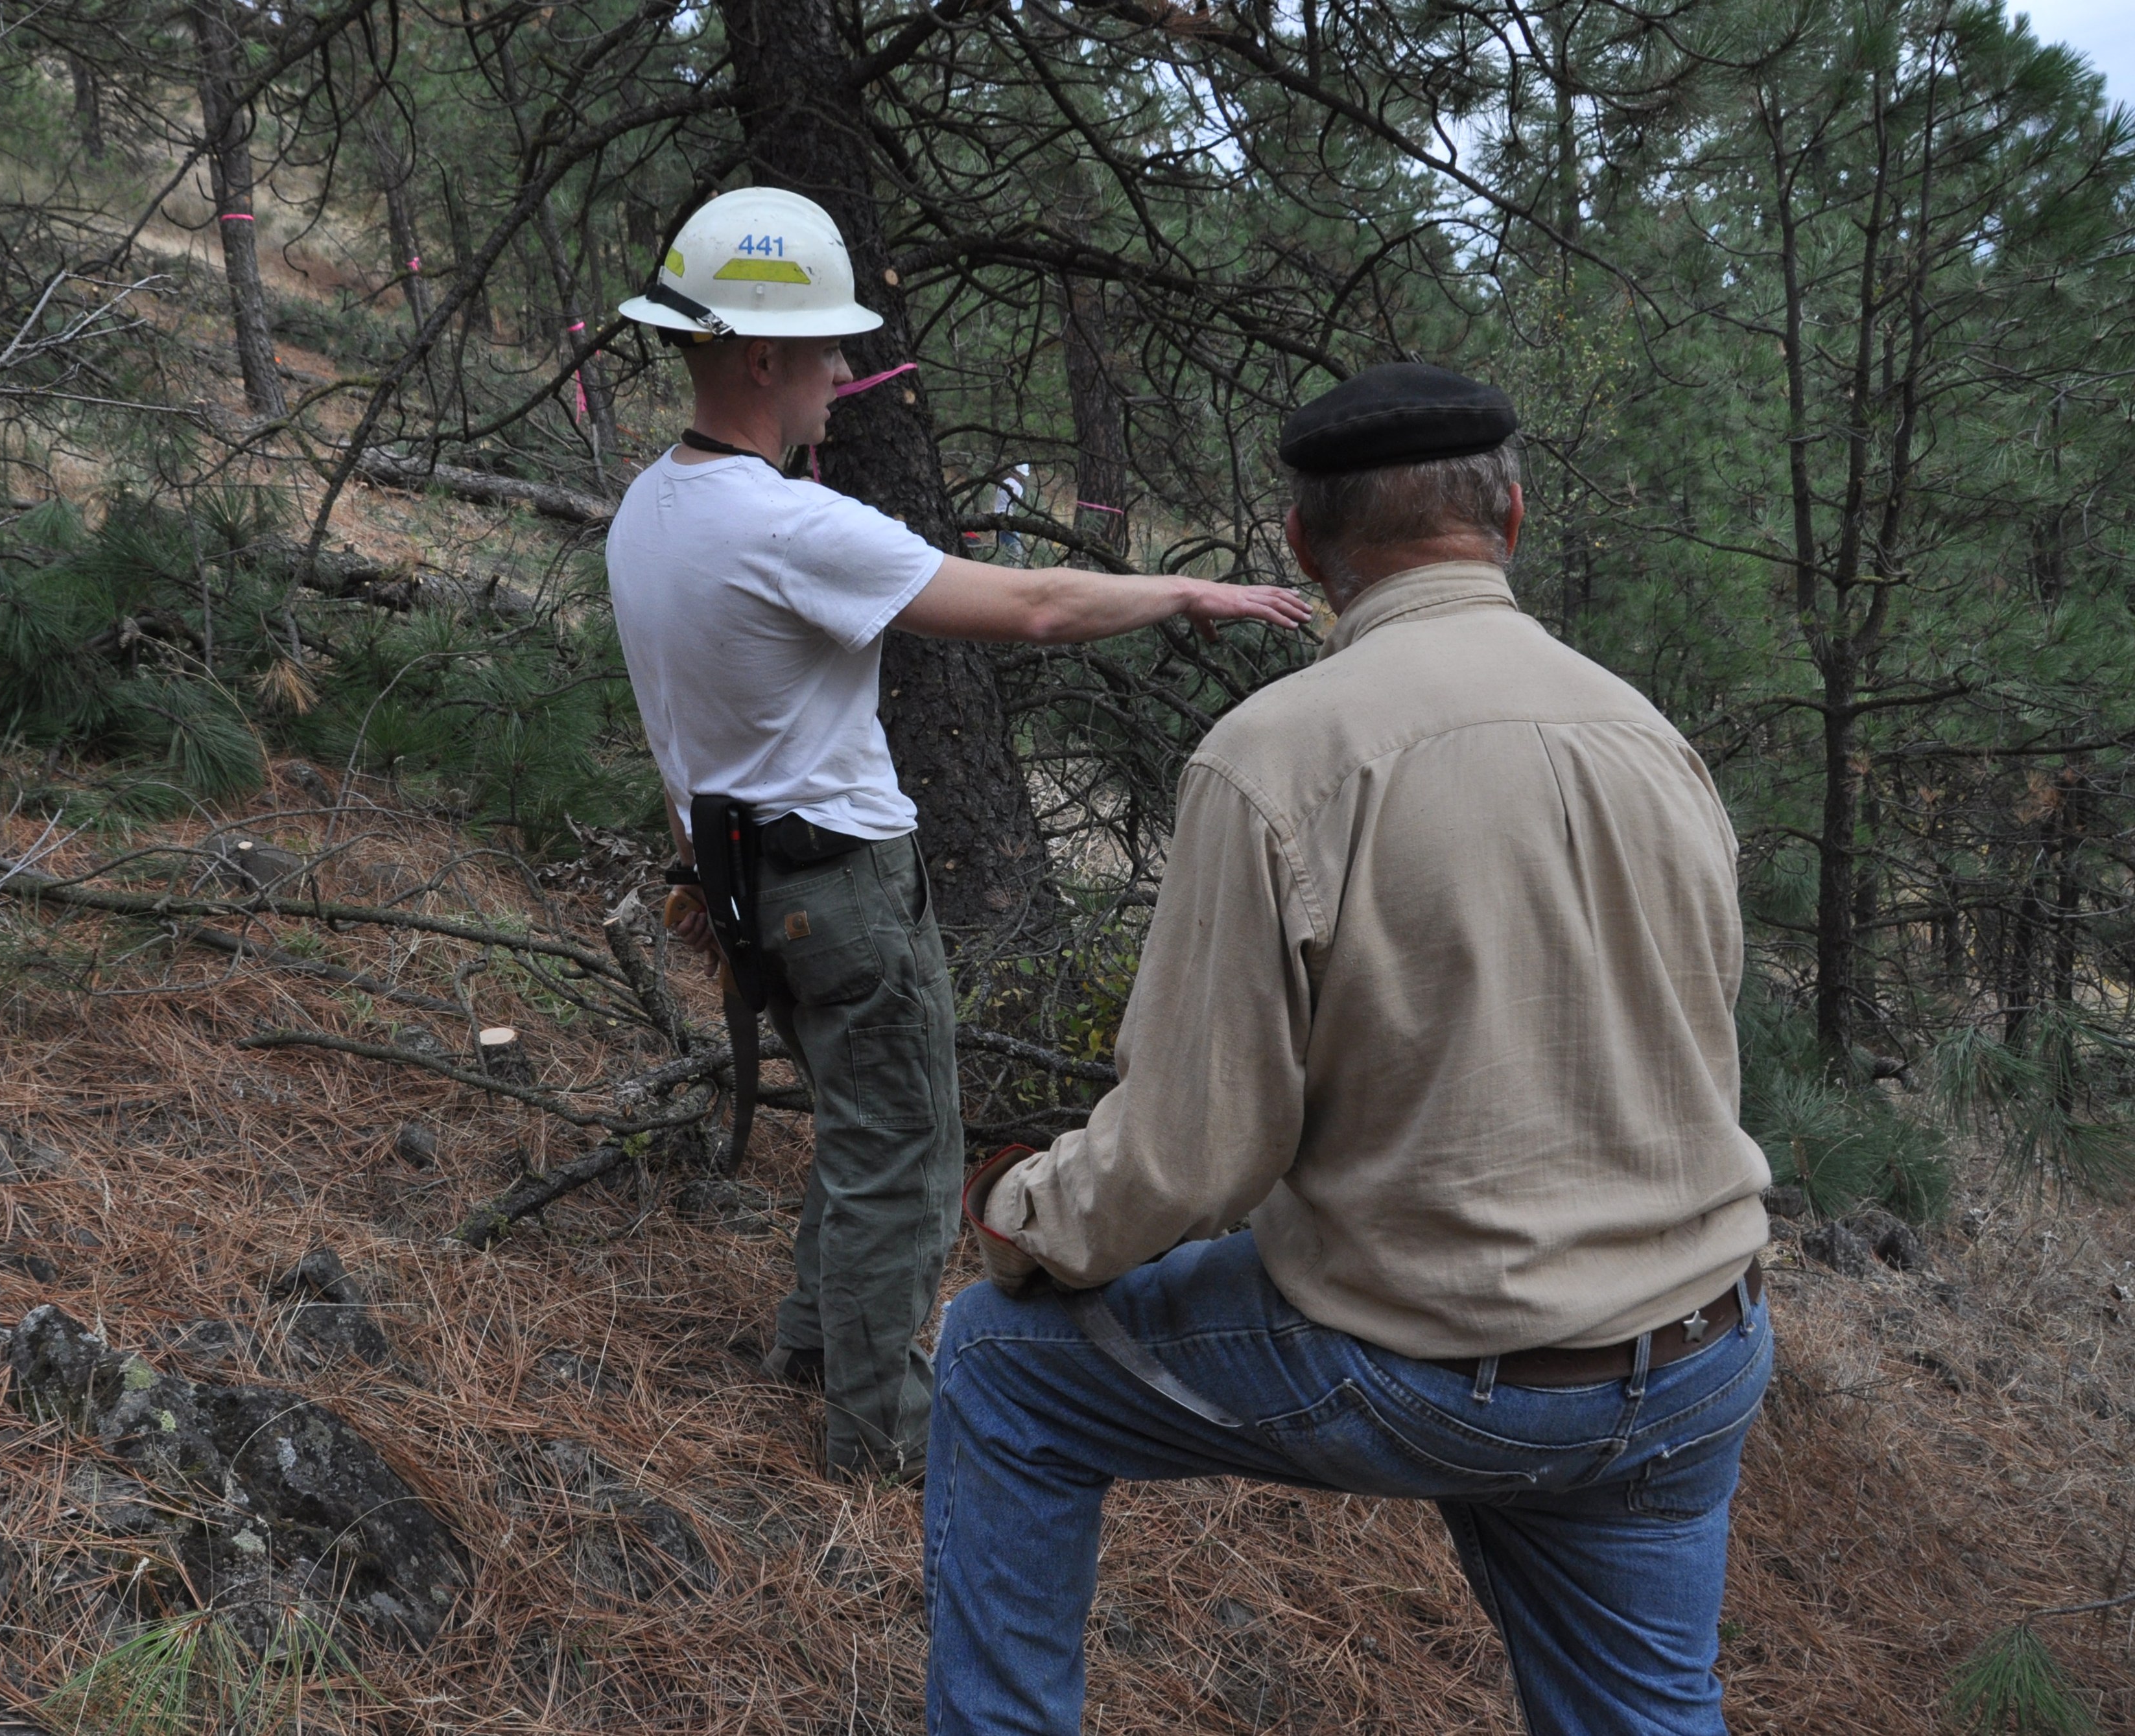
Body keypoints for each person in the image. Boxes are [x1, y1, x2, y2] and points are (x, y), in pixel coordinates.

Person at [926, 362, 1775, 1734]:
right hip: (1695, 1353)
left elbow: (1191, 1155)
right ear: (1510, 517)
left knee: (997, 1361)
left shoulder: (1277, 757)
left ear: (1303, 546)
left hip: (1444, 1370)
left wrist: (1023, 1217)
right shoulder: (1651, 737)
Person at [607, 186, 1312, 1480]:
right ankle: (881, 1430)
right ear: (759, 359)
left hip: (745, 874)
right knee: (907, 1155)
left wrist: (710, 883)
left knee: (859, 1128)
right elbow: (1033, 604)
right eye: (827, 348)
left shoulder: (650, 506)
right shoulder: (784, 524)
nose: (844, 373)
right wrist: (1182, 591)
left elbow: (678, 725)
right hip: (839, 884)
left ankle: (816, 1346)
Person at [991, 464, 1030, 563]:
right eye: (1023, 475)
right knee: (1015, 554)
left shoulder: (1004, 482)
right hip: (1010, 521)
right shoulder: (1018, 487)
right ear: (1019, 474)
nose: (1023, 478)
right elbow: (1018, 507)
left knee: (1003, 553)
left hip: (997, 520)